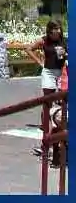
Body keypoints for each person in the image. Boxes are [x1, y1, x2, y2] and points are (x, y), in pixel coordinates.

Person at [26, 20, 67, 156]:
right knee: (47, 104)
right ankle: (46, 140)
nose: (58, 31)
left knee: (61, 105)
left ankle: (57, 141)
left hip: (61, 73)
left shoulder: (64, 41)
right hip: (49, 73)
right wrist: (39, 62)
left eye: (59, 29)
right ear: (50, 30)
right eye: (55, 29)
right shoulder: (44, 40)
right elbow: (29, 49)